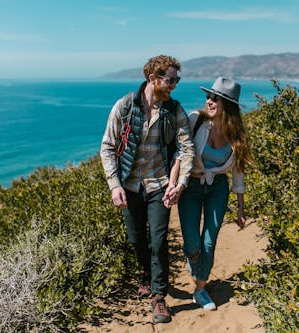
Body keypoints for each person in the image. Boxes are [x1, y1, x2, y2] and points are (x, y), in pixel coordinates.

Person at [100, 55, 194, 323]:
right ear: (153, 79)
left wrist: (180, 183)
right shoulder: (125, 106)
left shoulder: (174, 110)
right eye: (171, 79)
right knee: (135, 238)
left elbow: (186, 149)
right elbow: (107, 147)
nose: (175, 84)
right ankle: (145, 275)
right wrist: (114, 184)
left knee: (159, 240)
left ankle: (158, 296)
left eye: (177, 79)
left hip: (159, 184)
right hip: (129, 184)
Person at [177, 77, 253, 310]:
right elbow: (179, 154)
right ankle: (194, 260)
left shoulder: (237, 134)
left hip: (217, 188)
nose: (208, 101)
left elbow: (238, 172)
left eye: (215, 98)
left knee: (208, 243)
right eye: (208, 96)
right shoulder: (195, 120)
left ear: (227, 104)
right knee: (192, 245)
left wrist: (240, 208)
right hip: (191, 186)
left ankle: (200, 290)